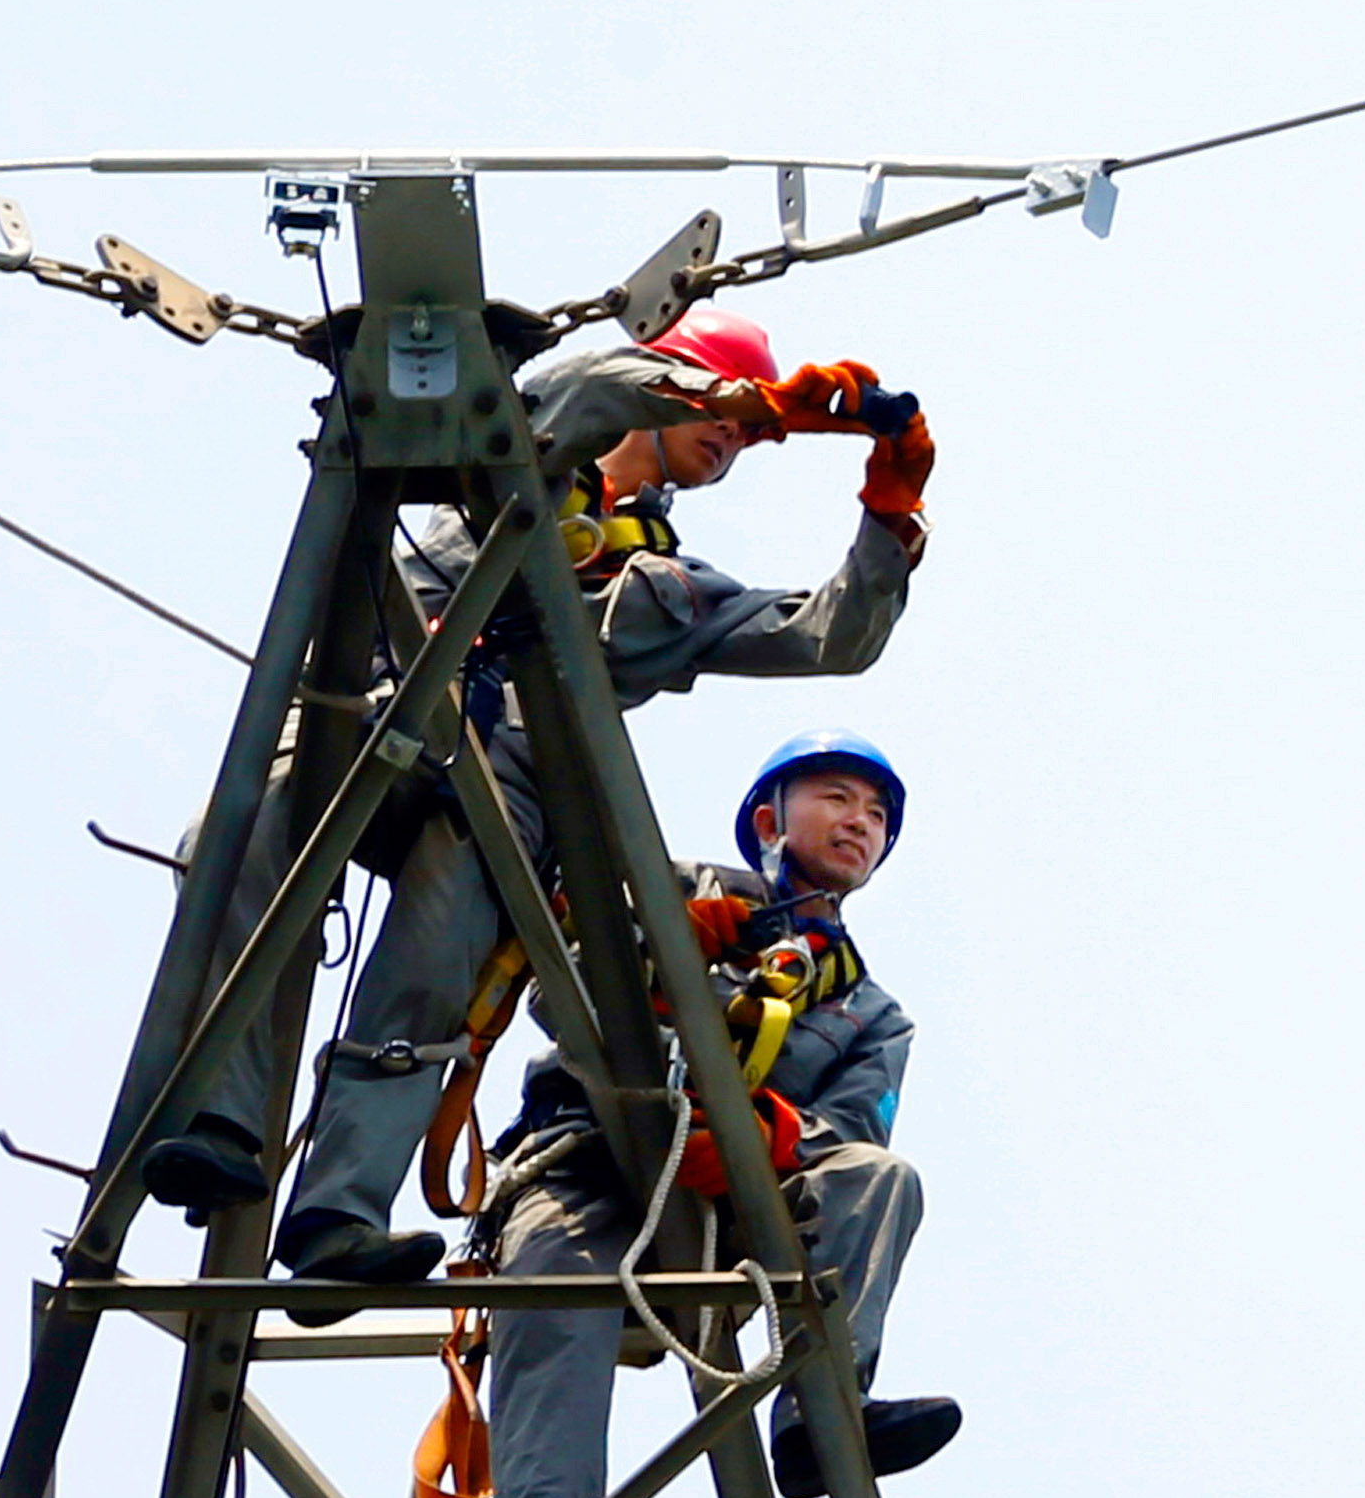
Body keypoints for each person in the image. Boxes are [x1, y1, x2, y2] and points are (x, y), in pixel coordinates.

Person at [137, 311, 940, 1310]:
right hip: (378, 708)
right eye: (715, 400)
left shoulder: (670, 587)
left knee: (428, 981)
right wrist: (735, 396)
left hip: (500, 797)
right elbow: (587, 387)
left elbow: (829, 638)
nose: (734, 435)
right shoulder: (510, 464)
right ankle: (216, 1119)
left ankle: (335, 1218)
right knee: (237, 839)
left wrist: (889, 511)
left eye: (746, 425)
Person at [464, 733, 963, 1498]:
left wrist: (765, 1129)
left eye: (878, 816)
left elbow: (847, 1126)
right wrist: (659, 982)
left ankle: (819, 1418)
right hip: (592, 1148)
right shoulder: (678, 895)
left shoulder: (869, 1010)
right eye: (839, 798)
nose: (861, 822)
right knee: (549, 1263)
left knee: (883, 1178)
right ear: (771, 818)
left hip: (736, 1207)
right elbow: (560, 993)